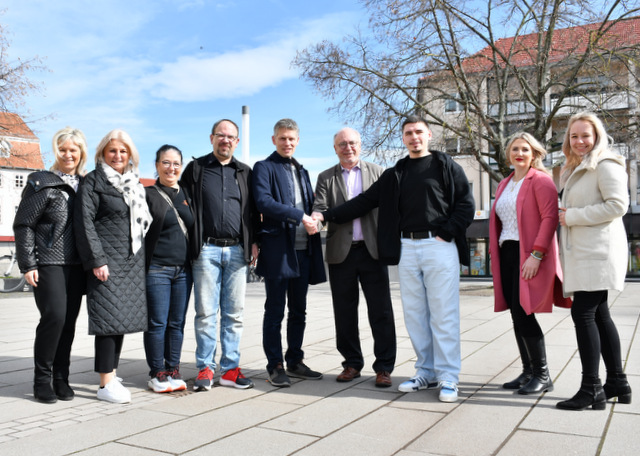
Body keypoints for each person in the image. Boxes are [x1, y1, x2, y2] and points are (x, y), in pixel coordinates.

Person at [315, 115, 474, 402]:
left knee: (443, 313)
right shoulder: (396, 172)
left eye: (418, 132)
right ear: (403, 139)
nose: (414, 137)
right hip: (408, 249)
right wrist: (326, 215)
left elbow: (465, 204)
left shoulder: (445, 165)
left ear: (429, 135)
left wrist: (446, 233)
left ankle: (448, 376)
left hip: (439, 245)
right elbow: (364, 201)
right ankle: (425, 371)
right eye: (409, 133)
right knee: (415, 315)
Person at [556, 112, 632, 411]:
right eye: (574, 136)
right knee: (600, 314)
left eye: (585, 135)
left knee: (584, 314)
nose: (579, 141)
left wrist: (572, 216)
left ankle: (592, 389)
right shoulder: (576, 167)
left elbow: (618, 205)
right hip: (586, 251)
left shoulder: (605, 164)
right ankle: (617, 382)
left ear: (597, 136)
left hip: (597, 252)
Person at [489, 132, 571, 396]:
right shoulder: (504, 183)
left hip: (530, 254)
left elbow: (549, 219)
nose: (519, 154)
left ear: (534, 154)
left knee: (525, 313)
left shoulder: (541, 181)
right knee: (516, 314)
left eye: (525, 149)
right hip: (507, 252)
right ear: (508, 154)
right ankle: (528, 371)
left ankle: (542, 374)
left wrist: (536, 255)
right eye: (515, 149)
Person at [312, 127, 396, 387]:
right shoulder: (326, 177)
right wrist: (316, 217)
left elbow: (390, 209)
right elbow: (320, 208)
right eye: (342, 144)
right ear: (335, 148)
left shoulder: (379, 173)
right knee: (344, 312)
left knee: (380, 311)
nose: (348, 148)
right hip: (341, 253)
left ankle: (383, 367)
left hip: (372, 252)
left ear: (360, 145)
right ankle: (351, 363)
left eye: (352, 143)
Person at [180, 119, 258, 391]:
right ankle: (204, 369)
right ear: (211, 138)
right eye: (220, 136)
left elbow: (253, 211)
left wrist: (254, 242)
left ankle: (230, 369)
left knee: (234, 313)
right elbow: (182, 204)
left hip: (237, 249)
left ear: (236, 142)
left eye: (231, 137)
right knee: (205, 313)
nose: (225, 140)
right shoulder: (196, 169)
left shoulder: (245, 172)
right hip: (206, 250)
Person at [75, 129, 152, 404]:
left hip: (129, 262)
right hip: (106, 262)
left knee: (119, 320)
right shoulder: (93, 182)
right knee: (108, 320)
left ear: (130, 154)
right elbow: (84, 224)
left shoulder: (133, 183)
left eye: (123, 151)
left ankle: (112, 373)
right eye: (112, 151)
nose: (118, 156)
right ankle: (105, 383)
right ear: (102, 154)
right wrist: (97, 260)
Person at [13, 127, 88, 403]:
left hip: (77, 265)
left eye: (73, 149)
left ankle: (61, 378)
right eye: (63, 149)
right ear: (56, 151)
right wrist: (28, 263)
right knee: (54, 317)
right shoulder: (40, 182)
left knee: (68, 323)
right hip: (48, 262)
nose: (68, 154)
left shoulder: (85, 185)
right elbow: (23, 224)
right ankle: (41, 380)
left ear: (81, 153)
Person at [252, 118, 327, 387]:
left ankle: (295, 360)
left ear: (298, 141)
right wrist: (299, 216)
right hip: (278, 251)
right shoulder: (264, 167)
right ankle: (275, 365)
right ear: (274, 140)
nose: (287, 143)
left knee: (299, 311)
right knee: (275, 311)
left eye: (292, 139)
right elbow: (263, 202)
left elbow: (310, 205)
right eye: (282, 138)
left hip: (304, 251)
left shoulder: (303, 171)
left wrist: (316, 214)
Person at [144, 145, 194, 393]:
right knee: (157, 323)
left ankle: (173, 368)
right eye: (165, 162)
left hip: (184, 271)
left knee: (177, 323)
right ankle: (157, 372)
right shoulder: (147, 194)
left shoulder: (186, 194)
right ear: (156, 165)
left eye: (176, 163)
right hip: (157, 270)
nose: (171, 168)